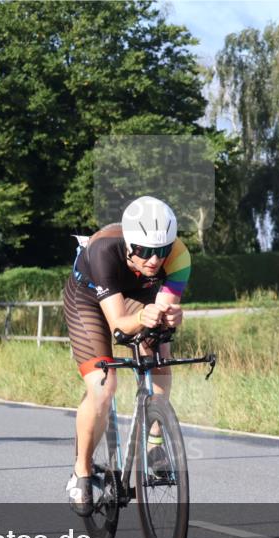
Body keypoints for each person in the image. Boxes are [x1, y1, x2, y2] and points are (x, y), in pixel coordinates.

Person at [62, 196, 191, 516]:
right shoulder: (104, 250)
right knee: (104, 386)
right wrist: (144, 316)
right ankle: (81, 471)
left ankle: (155, 443)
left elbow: (162, 312)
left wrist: (170, 317)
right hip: (87, 298)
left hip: (136, 295)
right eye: (145, 251)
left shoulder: (179, 256)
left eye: (162, 250)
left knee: (159, 349)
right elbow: (119, 324)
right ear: (130, 243)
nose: (154, 260)